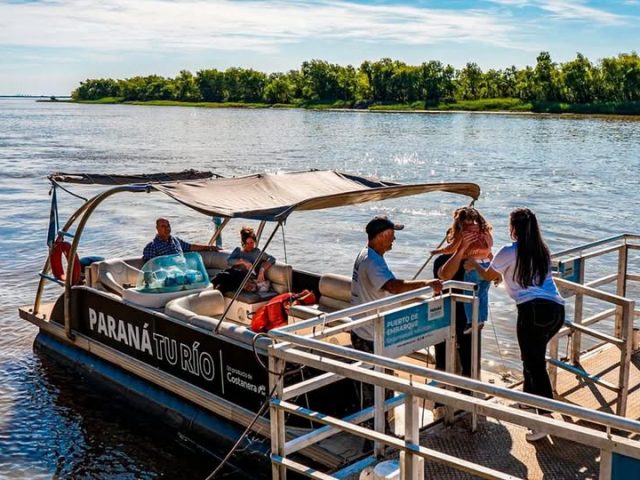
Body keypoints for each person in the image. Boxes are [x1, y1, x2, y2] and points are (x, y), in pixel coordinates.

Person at [465, 207, 565, 442]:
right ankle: (528, 403)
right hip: (555, 309)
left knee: (534, 363)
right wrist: (490, 263)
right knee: (531, 358)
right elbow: (505, 272)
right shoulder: (541, 250)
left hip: (532, 310)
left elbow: (491, 276)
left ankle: (544, 419)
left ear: (513, 228)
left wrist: (473, 264)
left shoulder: (509, 250)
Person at [432, 207, 493, 333]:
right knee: (482, 294)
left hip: (459, 317)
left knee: (474, 295)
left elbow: (450, 249)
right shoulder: (483, 232)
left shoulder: (464, 239)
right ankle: (479, 319)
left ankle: (475, 320)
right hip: (485, 266)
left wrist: (439, 251)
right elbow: (445, 275)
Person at [213, 226, 276, 293]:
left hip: (245, 279)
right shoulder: (238, 251)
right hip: (234, 277)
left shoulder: (257, 252)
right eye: (247, 243)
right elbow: (229, 261)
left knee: (224, 275)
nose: (249, 246)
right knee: (223, 282)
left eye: (251, 243)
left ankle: (210, 289)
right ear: (243, 243)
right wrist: (243, 261)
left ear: (254, 241)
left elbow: (272, 258)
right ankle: (210, 293)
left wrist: (262, 270)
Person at [142, 217, 218, 262]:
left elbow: (191, 247)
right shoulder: (151, 247)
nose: (167, 228)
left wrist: (209, 247)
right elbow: (149, 267)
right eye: (163, 226)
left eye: (168, 225)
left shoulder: (176, 240)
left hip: (182, 272)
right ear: (157, 228)